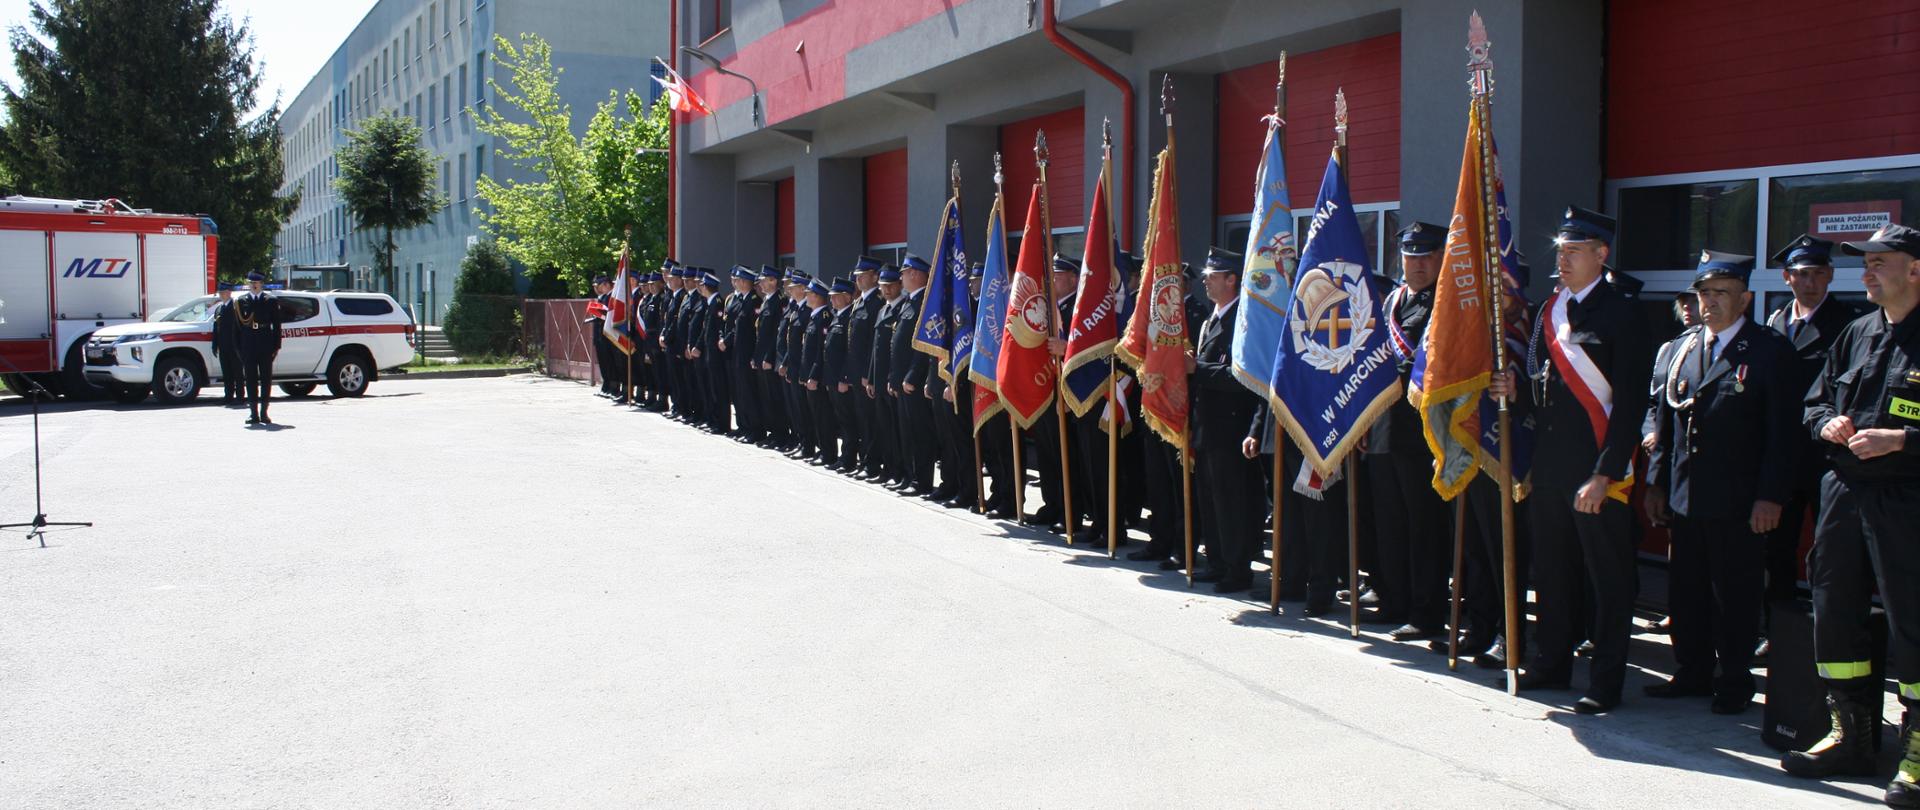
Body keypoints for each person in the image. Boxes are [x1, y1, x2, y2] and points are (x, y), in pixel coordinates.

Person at [1494, 205, 1651, 714]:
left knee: (1606, 579)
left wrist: (1605, 473)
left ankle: (1605, 680)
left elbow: (1628, 403)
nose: (1562, 260)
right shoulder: (1549, 310)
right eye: (1560, 250)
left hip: (1597, 471)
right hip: (1553, 467)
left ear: (1601, 255)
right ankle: (1551, 663)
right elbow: (1545, 388)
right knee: (1554, 571)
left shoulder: (1623, 312)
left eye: (1574, 251)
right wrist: (1516, 390)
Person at [1783, 224, 1920, 807]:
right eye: (1864, 263)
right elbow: (1814, 400)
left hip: (1907, 497)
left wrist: (1904, 441)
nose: (1867, 272)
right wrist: (1826, 424)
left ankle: (1915, 750)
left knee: (1914, 621)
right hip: (1843, 491)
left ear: (1915, 269)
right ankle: (1852, 737)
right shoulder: (1857, 332)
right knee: (1834, 611)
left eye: (1880, 262)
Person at [1642, 251, 1796, 715]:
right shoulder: (1680, 348)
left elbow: (1782, 434)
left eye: (1720, 294)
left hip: (1740, 499)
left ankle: (1733, 682)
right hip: (1687, 495)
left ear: (1745, 298)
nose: (1709, 302)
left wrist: (1770, 496)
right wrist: (1655, 484)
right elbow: (1663, 422)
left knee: (1735, 595)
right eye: (1704, 293)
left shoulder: (1769, 351)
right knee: (1686, 591)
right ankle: (1691, 671)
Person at [1763, 235, 1861, 609]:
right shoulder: (1775, 320)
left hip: (1825, 457)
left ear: (1831, 276)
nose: (1810, 282)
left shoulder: (1849, 324)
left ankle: (1829, 628)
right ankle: (1778, 628)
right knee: (1776, 546)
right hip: (1780, 456)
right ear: (1787, 278)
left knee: (1831, 549)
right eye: (1802, 275)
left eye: (1818, 274)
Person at [1367, 222, 1452, 640]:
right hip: (1385, 426)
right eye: (1410, 256)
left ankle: (1426, 612)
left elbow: (1430, 363)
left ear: (1440, 258)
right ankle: (1394, 599)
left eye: (1425, 256)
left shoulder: (1446, 302)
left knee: (1424, 527)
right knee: (1390, 522)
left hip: (1424, 433)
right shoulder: (1395, 301)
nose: (1416, 264)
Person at [1187, 247, 1262, 593]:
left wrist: (1196, 369)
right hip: (1206, 424)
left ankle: (1237, 568)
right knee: (1209, 497)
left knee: (1232, 500)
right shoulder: (1210, 320)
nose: (1206, 280)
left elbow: (1240, 377)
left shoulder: (1242, 322)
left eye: (1213, 276)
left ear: (1232, 279)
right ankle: (1217, 560)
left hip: (1230, 426)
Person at [889, 255, 935, 495]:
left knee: (919, 434)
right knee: (906, 432)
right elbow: (897, 344)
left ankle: (922, 480)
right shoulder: (909, 302)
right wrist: (894, 377)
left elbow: (923, 347)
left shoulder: (925, 303)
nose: (901, 278)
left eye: (904, 273)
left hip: (913, 382)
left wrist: (913, 377)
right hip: (902, 380)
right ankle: (909, 475)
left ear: (915, 274)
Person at [848, 257, 885, 476]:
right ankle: (864, 460)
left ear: (874, 276)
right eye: (857, 276)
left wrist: (867, 374)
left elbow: (874, 344)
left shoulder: (876, 304)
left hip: (865, 373)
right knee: (861, 418)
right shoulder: (859, 302)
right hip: (855, 372)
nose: (859, 280)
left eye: (863, 275)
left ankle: (872, 464)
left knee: (871, 421)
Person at [869, 266, 905, 485]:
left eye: (891, 285)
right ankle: (888, 468)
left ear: (899, 285)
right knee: (883, 428)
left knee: (896, 430)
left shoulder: (902, 309)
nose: (888, 290)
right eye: (884, 286)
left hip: (893, 380)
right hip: (880, 380)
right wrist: (871, 378)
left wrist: (894, 378)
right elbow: (876, 348)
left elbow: (898, 351)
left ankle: (899, 470)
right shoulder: (882, 310)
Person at [232, 271, 282, 425]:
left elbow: (277, 326)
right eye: (251, 282)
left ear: (261, 284)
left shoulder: (270, 300)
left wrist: (276, 346)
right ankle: (253, 413)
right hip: (248, 344)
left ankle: (264, 412)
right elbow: (237, 328)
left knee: (266, 379)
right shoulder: (241, 301)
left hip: (265, 342)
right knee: (251, 378)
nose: (253, 285)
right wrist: (238, 347)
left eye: (256, 283)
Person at [721, 265, 762, 441]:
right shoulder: (741, 301)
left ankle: (755, 430)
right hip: (738, 353)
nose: (735, 283)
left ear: (746, 282)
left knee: (749, 394)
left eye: (738, 280)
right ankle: (744, 426)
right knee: (740, 393)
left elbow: (753, 333)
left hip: (747, 354)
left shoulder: (754, 302)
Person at [801, 277, 838, 466]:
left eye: (808, 293)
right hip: (810, 377)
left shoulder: (823, 318)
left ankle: (828, 453)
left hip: (819, 378)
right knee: (816, 416)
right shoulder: (814, 317)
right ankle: (823, 449)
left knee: (824, 417)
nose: (805, 296)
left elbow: (819, 352)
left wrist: (814, 376)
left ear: (816, 296)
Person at [754, 266, 791, 448]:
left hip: (770, 359)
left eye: (764, 280)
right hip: (762, 358)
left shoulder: (779, 301)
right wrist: (756, 356)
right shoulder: (766, 301)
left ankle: (780, 435)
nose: (760, 283)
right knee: (767, 399)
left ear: (773, 281)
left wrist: (768, 357)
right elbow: (760, 334)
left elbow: (775, 334)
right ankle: (773, 433)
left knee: (776, 400)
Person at [826, 276, 859, 472]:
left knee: (848, 421)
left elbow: (849, 351)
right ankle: (843, 456)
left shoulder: (849, 317)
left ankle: (848, 459)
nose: (832, 300)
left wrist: (844, 378)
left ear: (847, 297)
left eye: (836, 296)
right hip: (832, 378)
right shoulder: (837, 315)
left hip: (842, 380)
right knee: (840, 419)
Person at [210, 282, 242, 405]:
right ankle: (228, 395)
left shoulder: (235, 307)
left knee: (237, 372)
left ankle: (240, 396)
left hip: (234, 346)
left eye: (223, 292)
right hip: (223, 346)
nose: (221, 295)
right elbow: (216, 328)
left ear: (229, 292)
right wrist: (215, 344)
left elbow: (240, 328)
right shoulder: (219, 308)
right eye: (220, 292)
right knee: (227, 372)